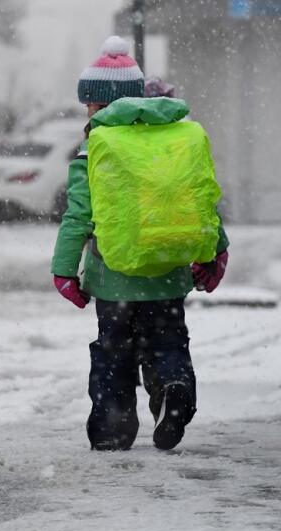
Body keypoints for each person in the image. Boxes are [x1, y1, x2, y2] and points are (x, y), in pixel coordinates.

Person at [51, 36, 230, 452]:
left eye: (91, 105)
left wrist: (63, 269)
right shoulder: (174, 141)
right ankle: (173, 387)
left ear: (101, 105)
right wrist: (215, 250)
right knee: (167, 341)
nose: (88, 112)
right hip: (167, 273)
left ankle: (113, 427)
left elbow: (78, 216)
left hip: (113, 278)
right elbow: (200, 196)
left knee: (114, 353)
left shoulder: (94, 149)